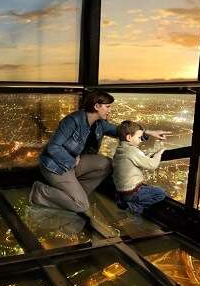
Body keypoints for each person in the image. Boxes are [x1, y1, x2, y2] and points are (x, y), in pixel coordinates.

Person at [29, 91, 167, 214]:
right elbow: (53, 148)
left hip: (74, 163)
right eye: (107, 106)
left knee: (107, 163)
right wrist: (71, 161)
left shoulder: (100, 124)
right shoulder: (72, 121)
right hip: (56, 166)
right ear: (96, 106)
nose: (110, 110)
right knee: (81, 206)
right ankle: (40, 192)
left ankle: (75, 194)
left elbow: (122, 132)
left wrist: (149, 132)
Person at [112, 120, 168, 215]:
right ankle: (134, 207)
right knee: (161, 193)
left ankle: (124, 202)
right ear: (129, 137)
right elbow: (152, 165)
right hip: (132, 192)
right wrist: (159, 154)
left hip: (121, 192)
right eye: (139, 137)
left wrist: (157, 147)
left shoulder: (120, 150)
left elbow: (141, 157)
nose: (141, 140)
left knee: (149, 189)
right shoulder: (132, 151)